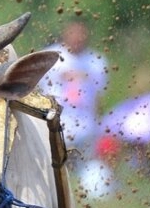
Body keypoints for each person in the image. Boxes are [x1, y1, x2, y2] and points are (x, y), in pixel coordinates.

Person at [41, 21, 109, 184]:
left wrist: (99, 124)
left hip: (85, 124)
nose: (77, 38)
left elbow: (99, 97)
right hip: (57, 121)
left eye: (81, 34)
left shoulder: (96, 61)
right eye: (73, 33)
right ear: (65, 34)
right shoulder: (50, 56)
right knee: (53, 168)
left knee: (85, 170)